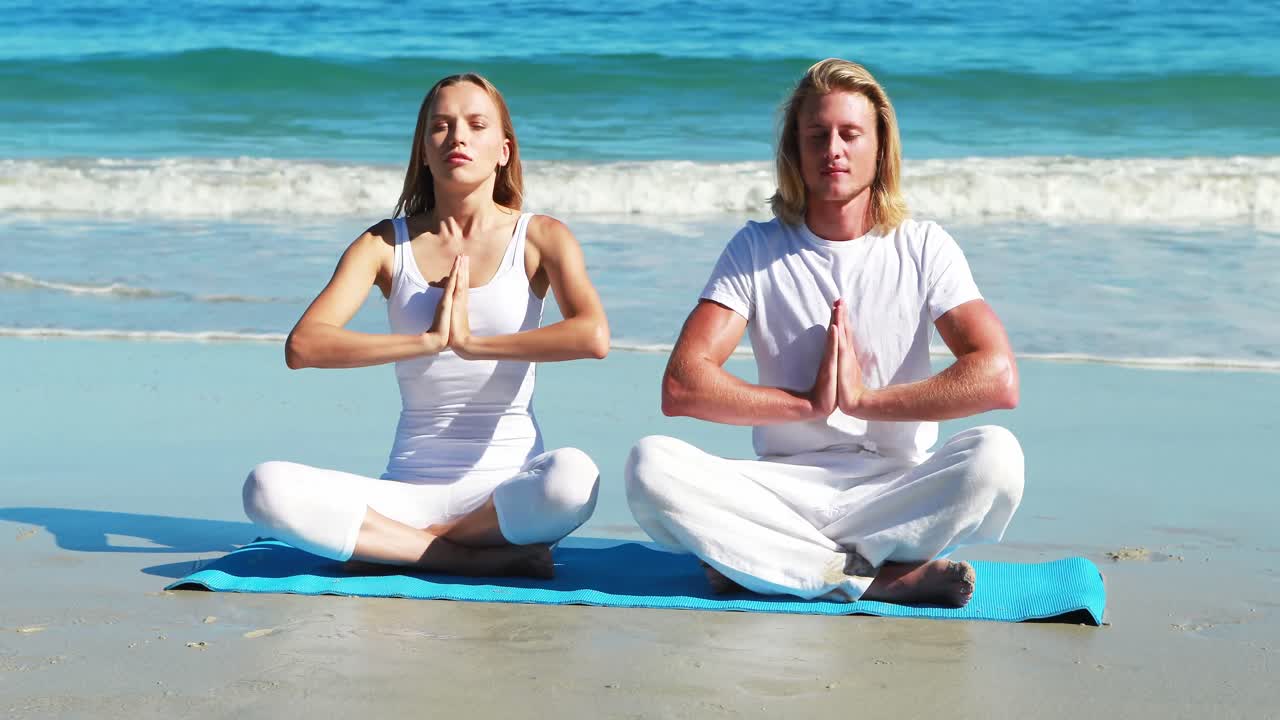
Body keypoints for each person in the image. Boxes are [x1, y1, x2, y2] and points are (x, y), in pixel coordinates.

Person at [625, 59, 1024, 606]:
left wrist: (863, 400)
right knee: (651, 465)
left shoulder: (924, 246)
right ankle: (870, 577)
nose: (832, 148)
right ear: (795, 151)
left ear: (880, 149)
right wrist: (808, 404)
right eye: (817, 135)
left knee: (997, 457)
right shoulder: (757, 248)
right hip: (785, 490)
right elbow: (683, 386)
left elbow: (996, 375)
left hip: (897, 488)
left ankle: (765, 565)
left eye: (849, 134)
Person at [242, 74, 610, 579]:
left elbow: (592, 335)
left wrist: (474, 345)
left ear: (503, 150)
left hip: (504, 496)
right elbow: (304, 345)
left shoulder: (540, 236)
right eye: (441, 126)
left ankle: (393, 549)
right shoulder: (383, 244)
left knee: (573, 479)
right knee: (265, 487)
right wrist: (426, 342)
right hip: (406, 492)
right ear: (423, 150)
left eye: (476, 125)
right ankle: (456, 556)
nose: (457, 137)